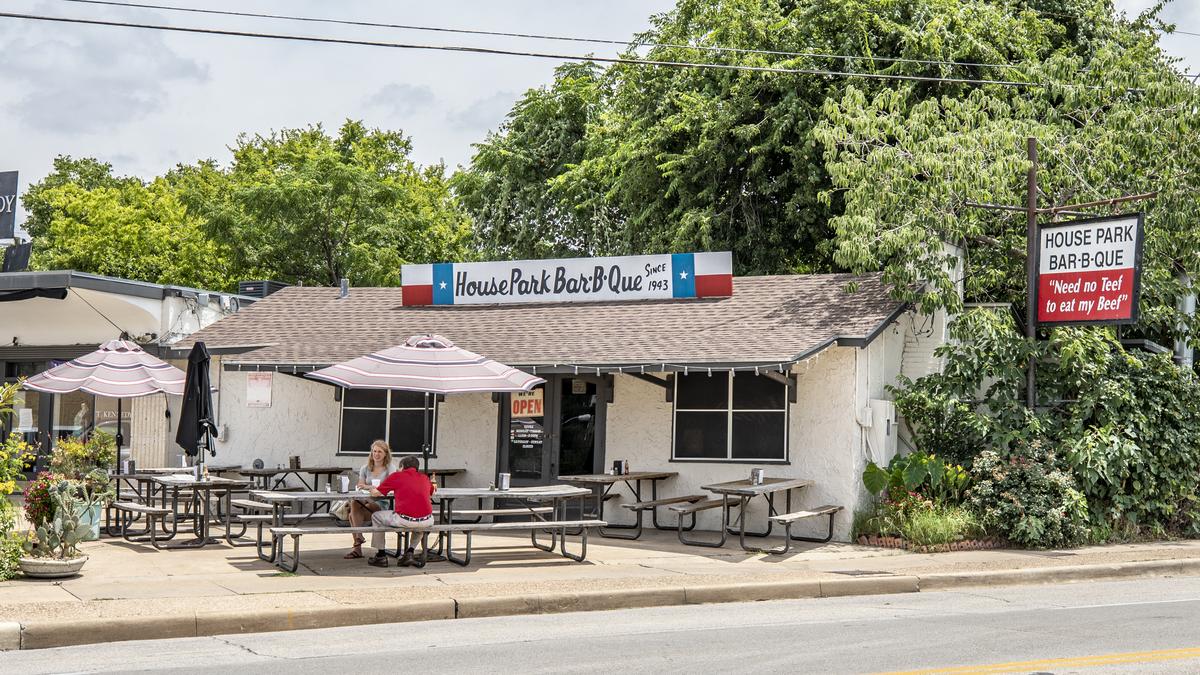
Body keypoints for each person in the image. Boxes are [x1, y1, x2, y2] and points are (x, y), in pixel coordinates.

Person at [366, 455, 435, 568]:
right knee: (421, 522)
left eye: (399, 467)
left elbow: (376, 493)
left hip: (404, 520)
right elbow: (432, 492)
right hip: (427, 521)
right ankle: (410, 552)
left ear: (402, 466)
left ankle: (381, 555)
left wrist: (371, 488)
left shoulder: (397, 476)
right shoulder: (425, 478)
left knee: (376, 516)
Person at [344, 440, 396, 559]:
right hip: (365, 500)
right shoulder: (365, 468)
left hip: (381, 502)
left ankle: (357, 545)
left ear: (385, 454)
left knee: (352, 515)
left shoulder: (390, 468)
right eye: (374, 451)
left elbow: (391, 484)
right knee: (354, 503)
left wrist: (371, 487)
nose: (376, 454)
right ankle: (359, 537)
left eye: (380, 451)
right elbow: (360, 485)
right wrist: (373, 487)